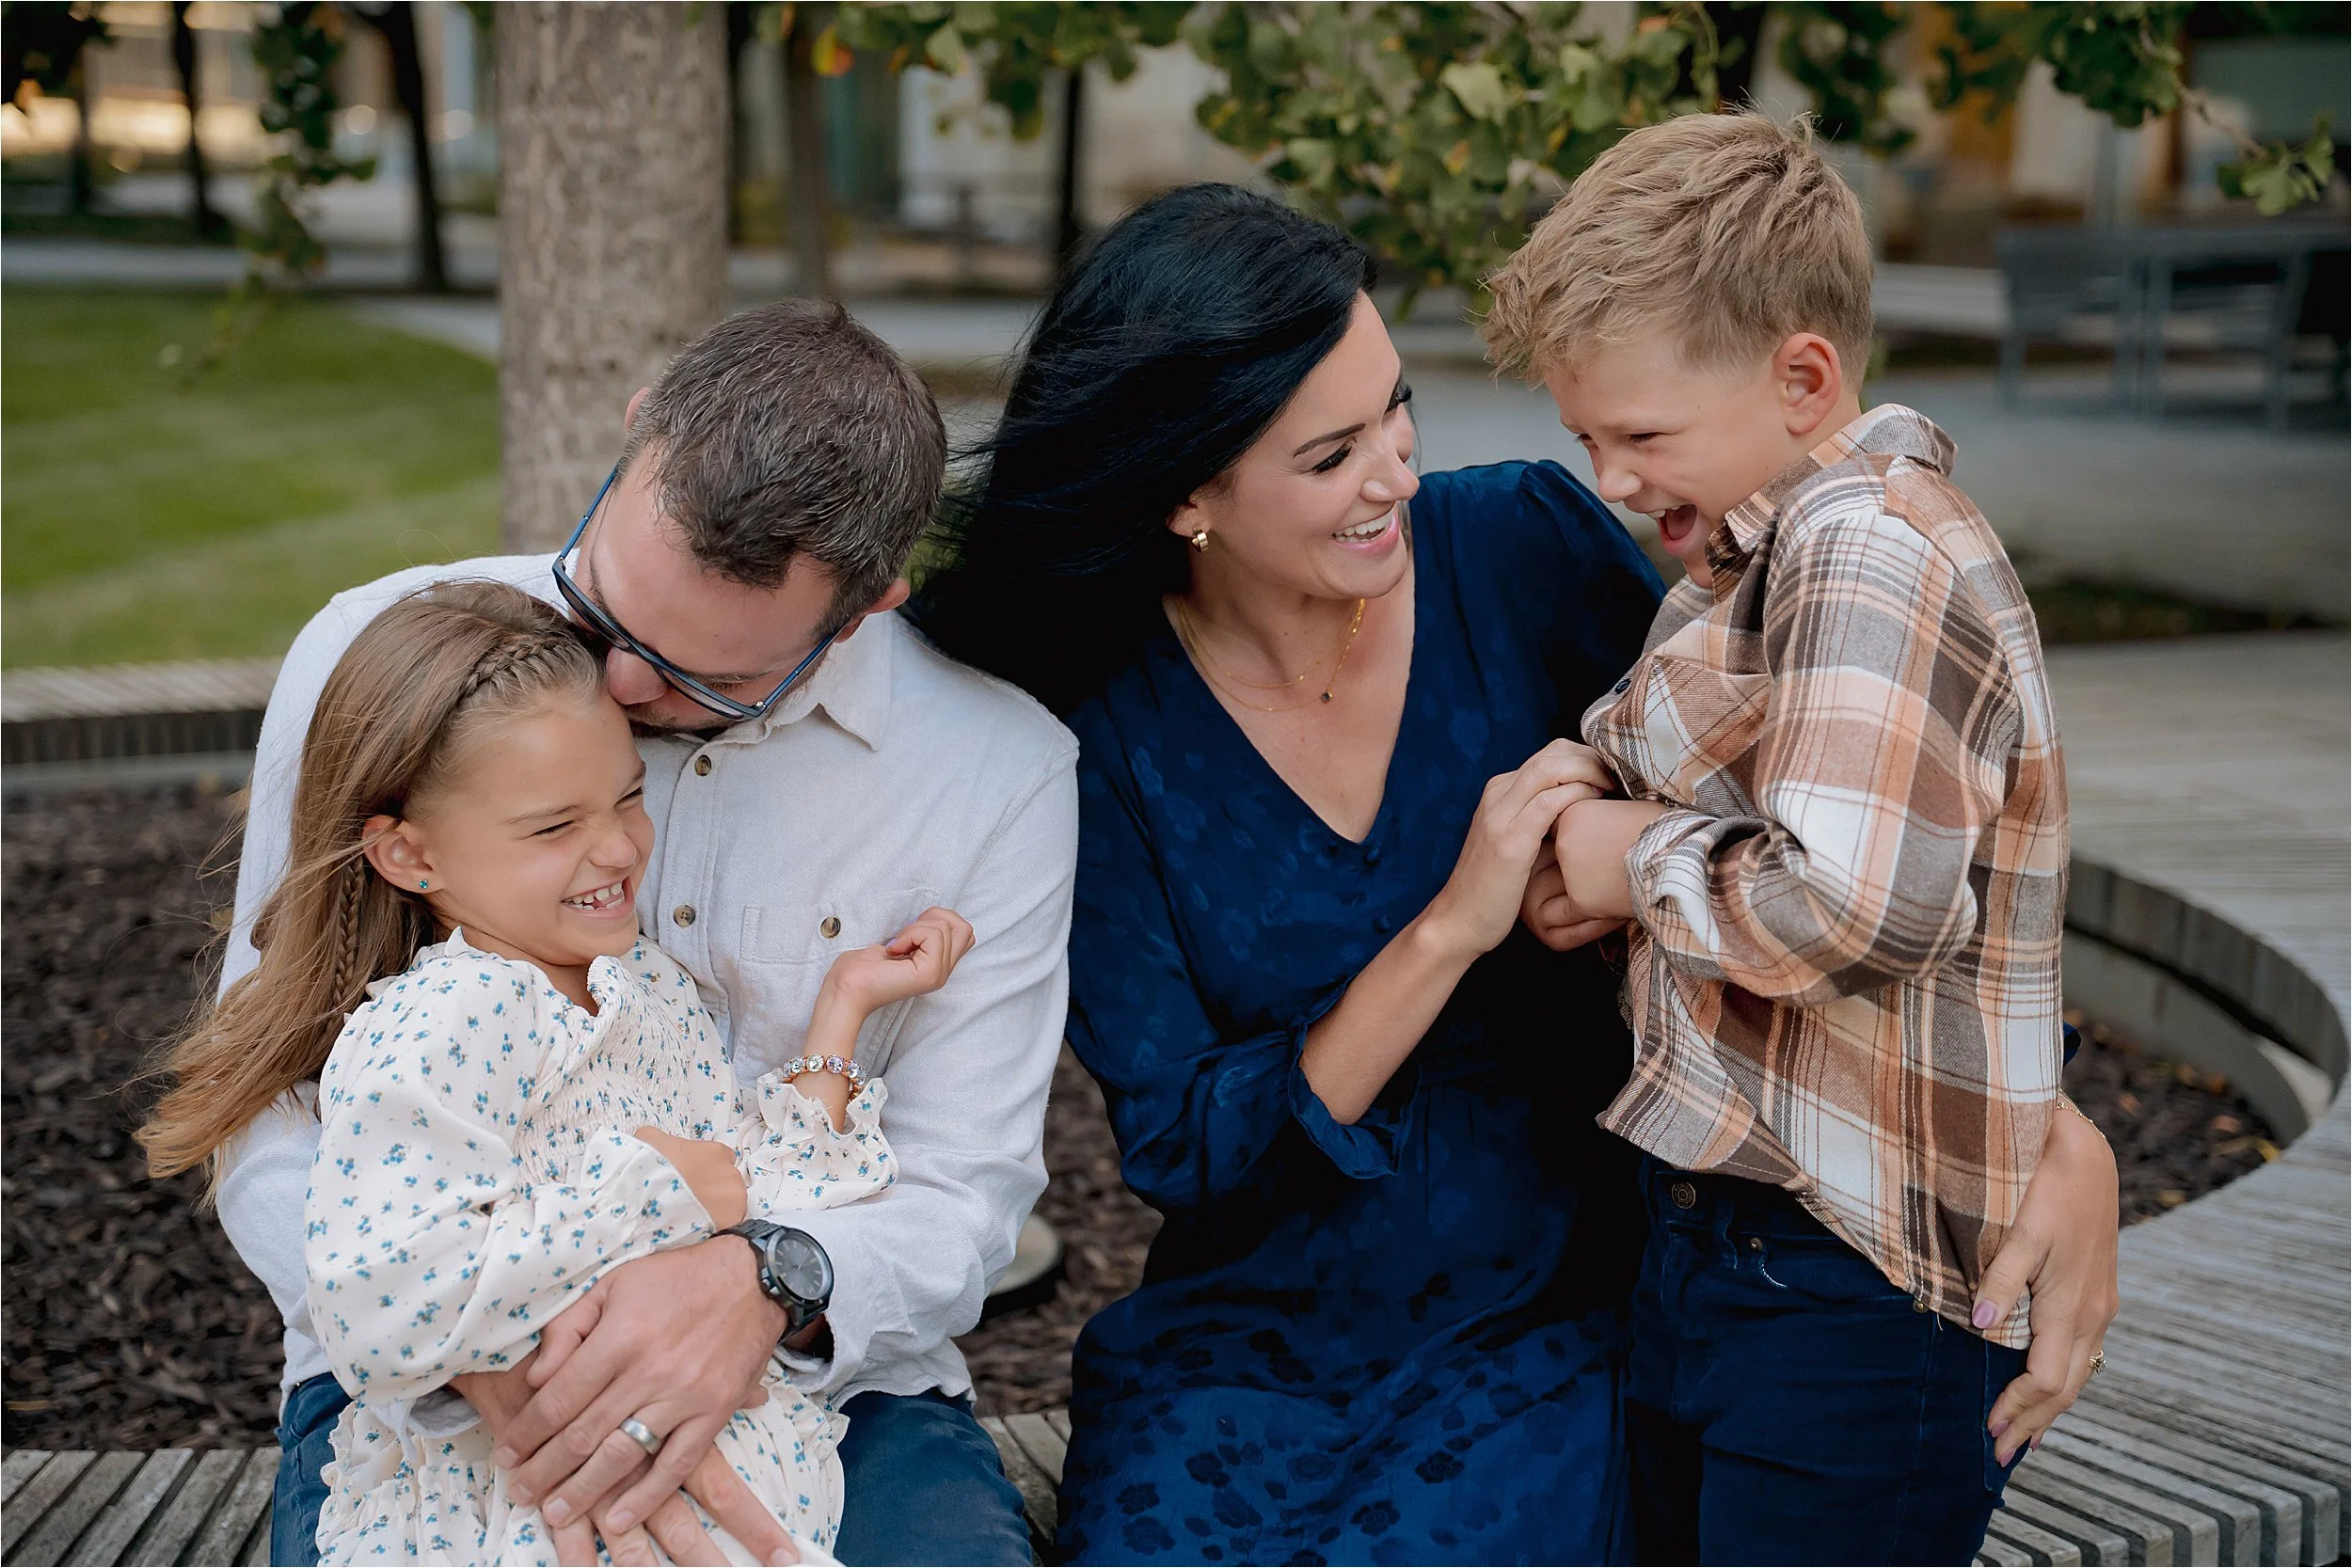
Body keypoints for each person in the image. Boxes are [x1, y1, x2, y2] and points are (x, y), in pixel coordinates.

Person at [918, 182, 2122, 1566]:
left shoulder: (1524, 550)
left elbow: (1829, 835)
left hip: (1570, 1296)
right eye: (1330, 454)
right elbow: (1190, 1147)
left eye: (1395, 409)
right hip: (1252, 1341)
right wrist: (1448, 926)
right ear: (1187, 490)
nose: (1394, 474)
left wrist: (2053, 1121)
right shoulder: (1095, 726)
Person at [141, 302, 1075, 1567]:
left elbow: (964, 1190)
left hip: (831, 1385)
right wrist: (513, 1363)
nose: (625, 690)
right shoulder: (385, 656)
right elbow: (272, 1099)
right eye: (607, 610)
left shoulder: (998, 768)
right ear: (639, 434)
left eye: (704, 678)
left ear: (862, 610)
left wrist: (767, 1283)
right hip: (438, 1395)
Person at [1483, 112, 2118, 1563]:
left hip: (1857, 1279)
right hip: (1733, 1244)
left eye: (1640, 434)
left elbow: (1853, 905)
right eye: (1585, 438)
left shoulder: (1865, 549)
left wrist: (1622, 860)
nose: (1609, 479)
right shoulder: (1766, 555)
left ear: (1804, 376)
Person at [151, 580, 974, 1564]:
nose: (618, 845)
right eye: (553, 826)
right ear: (408, 852)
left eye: (629, 793)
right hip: (510, 1518)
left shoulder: (644, 989)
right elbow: (383, 1299)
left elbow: (765, 1188)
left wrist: (840, 1013)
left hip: (733, 1494)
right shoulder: (441, 1021)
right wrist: (654, 1190)